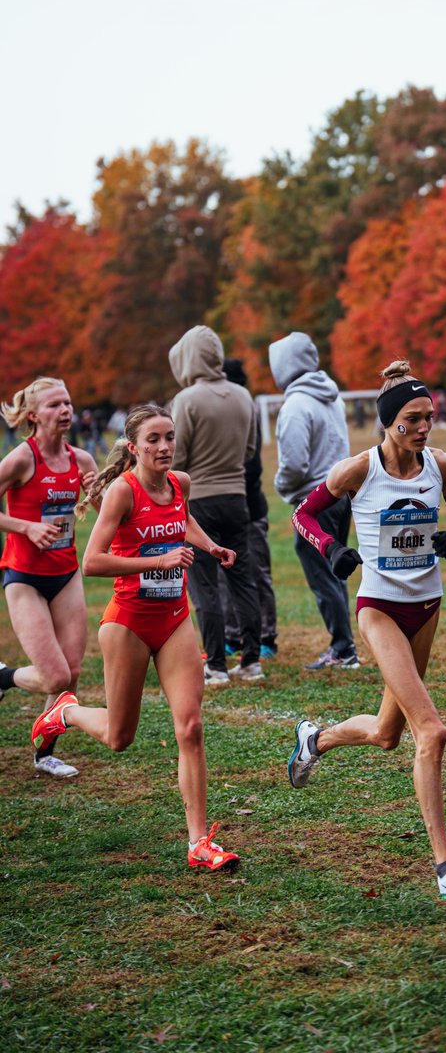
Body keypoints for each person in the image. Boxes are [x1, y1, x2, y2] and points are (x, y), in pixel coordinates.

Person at [286, 359, 446, 904]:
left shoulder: (442, 465)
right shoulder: (359, 470)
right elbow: (303, 517)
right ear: (388, 421)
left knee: (387, 733)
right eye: (414, 418)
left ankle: (316, 739)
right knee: (433, 731)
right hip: (378, 608)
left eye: (430, 417)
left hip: (427, 606)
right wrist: (331, 548)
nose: (425, 428)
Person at [30, 403, 240, 869]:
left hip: (175, 619)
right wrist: (156, 562)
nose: (164, 447)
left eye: (169, 437)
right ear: (133, 447)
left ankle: (199, 843)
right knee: (120, 737)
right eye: (153, 440)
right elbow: (93, 562)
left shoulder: (179, 483)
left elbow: (181, 520)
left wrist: (209, 547)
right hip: (127, 622)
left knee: (190, 727)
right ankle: (65, 711)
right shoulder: (123, 494)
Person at [0, 377, 99, 778]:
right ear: (32, 416)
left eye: (68, 403)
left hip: (65, 573)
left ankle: (45, 753)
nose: (65, 411)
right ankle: (3, 676)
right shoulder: (22, 459)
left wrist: (99, 495)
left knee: (70, 673)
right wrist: (23, 527)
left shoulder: (83, 461)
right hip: (24, 575)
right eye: (55, 405)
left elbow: (102, 510)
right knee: (53, 675)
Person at [168, 326, 263, 685]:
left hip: (200, 503)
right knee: (242, 579)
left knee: (204, 583)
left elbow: (176, 457)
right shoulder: (243, 396)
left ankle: (217, 665)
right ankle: (252, 660)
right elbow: (251, 451)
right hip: (238, 498)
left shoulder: (186, 400)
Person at [268, 332, 359, 670]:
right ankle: (345, 644)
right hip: (340, 493)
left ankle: (343, 648)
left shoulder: (295, 405)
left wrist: (282, 487)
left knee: (323, 575)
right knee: (336, 568)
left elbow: (294, 464)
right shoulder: (331, 397)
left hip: (314, 501)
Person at [217, 358, 278, 662]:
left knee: (256, 572)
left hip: (249, 508)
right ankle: (231, 636)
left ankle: (266, 637)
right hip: (222, 507)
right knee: (223, 574)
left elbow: (252, 466)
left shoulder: (247, 411)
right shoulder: (218, 412)